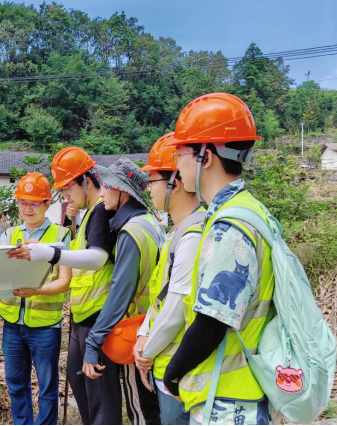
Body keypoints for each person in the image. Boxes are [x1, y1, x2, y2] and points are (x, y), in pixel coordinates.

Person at [163, 93, 274, 425]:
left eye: (180, 154)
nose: (176, 166)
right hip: (239, 392)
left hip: (227, 400)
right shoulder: (250, 210)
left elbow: (212, 322)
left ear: (206, 157)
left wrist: (173, 374)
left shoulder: (230, 226)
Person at [7, 148, 122, 425]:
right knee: (84, 387)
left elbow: (97, 259)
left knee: (99, 398)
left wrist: (50, 253)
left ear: (86, 181)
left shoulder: (99, 212)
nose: (67, 197)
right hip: (84, 317)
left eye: (68, 189)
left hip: (96, 317)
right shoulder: (90, 214)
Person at [134, 134, 205, 425]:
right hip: (167, 361)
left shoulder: (193, 234)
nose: (148, 189)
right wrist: (143, 335)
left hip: (181, 368)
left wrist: (145, 353)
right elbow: (160, 298)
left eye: (152, 181)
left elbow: (176, 309)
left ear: (174, 182)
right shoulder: (175, 232)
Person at [87, 158, 164, 426]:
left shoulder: (131, 232)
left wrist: (93, 343)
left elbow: (119, 295)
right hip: (156, 327)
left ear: (122, 192)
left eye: (106, 186)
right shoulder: (150, 221)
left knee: (141, 412)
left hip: (137, 331)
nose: (101, 193)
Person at [0, 172, 72, 425]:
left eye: (34, 203)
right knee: (16, 383)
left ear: (47, 204)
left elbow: (64, 281)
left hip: (45, 326)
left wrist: (36, 291)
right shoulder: (8, 235)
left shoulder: (60, 236)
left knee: (47, 386)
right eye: (23, 203)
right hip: (12, 323)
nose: (28, 209)